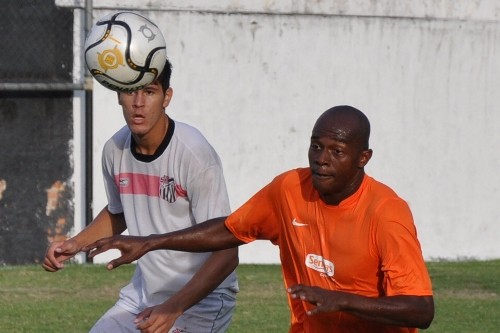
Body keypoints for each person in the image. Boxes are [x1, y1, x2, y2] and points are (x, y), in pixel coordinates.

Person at [83, 105, 435, 333]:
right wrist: (151, 242)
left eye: (337, 151)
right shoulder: (289, 189)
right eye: (316, 146)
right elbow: (228, 230)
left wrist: (344, 300)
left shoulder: (387, 214)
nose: (321, 159)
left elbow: (421, 310)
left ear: (363, 158)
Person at [42, 59, 239, 333]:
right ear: (119, 96)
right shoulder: (114, 149)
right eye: (130, 90)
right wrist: (75, 244)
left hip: (201, 300)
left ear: (166, 97)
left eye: (150, 91)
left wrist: (174, 308)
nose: (138, 102)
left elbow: (227, 252)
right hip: (144, 293)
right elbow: (119, 211)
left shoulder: (194, 153)